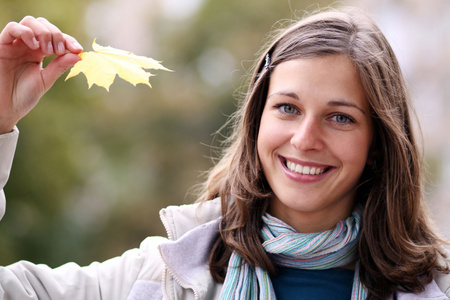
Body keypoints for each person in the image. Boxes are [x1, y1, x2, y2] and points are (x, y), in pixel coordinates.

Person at [0, 7, 449, 300]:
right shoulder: (164, 275)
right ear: (258, 122)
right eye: (288, 108)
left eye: (341, 118)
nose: (305, 138)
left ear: (377, 144)